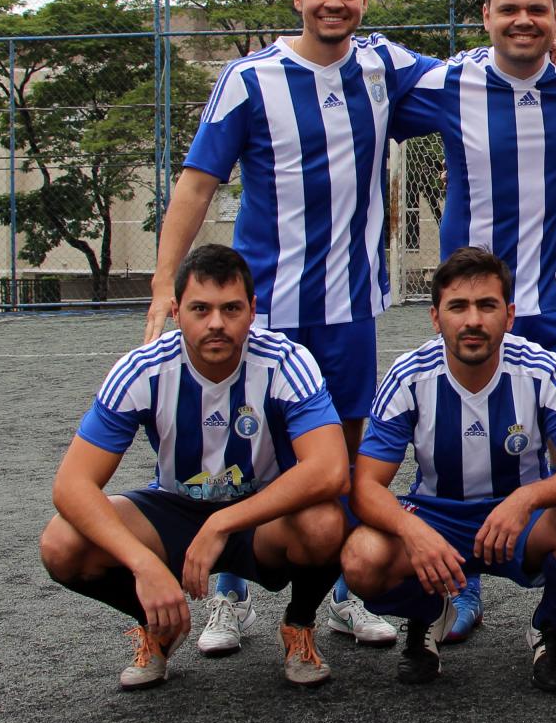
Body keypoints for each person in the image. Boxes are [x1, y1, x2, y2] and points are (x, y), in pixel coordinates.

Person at [146, 0, 417, 652]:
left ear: (364, 1)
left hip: (351, 308)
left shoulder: (384, 65)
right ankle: (228, 598)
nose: (335, 4)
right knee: (246, 456)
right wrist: (162, 284)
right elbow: (197, 183)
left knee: (348, 463)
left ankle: (341, 596)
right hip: (264, 311)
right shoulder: (249, 79)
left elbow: (475, 73)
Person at [391, 0, 556, 639]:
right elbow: (361, 73)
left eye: (538, 9)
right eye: (509, 9)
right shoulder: (450, 81)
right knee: (455, 440)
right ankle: (461, 581)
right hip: (475, 301)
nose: (524, 20)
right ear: (485, 18)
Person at [40, 245, 349, 690]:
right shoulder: (142, 370)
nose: (217, 323)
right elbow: (71, 485)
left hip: (261, 515)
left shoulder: (285, 361)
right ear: (176, 310)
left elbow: (329, 469)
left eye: (231, 309)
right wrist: (143, 565)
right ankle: (158, 625)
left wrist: (223, 522)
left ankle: (298, 624)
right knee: (61, 542)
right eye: (200, 309)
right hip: (175, 507)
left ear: (253, 310)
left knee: (325, 523)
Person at [342, 248, 556, 691]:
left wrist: (526, 498)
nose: (472, 320)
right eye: (458, 307)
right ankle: (428, 615)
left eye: (486, 305)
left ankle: (548, 627)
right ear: (435, 317)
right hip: (438, 516)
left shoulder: (540, 368)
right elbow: (366, 486)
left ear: (509, 316)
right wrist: (412, 530)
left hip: (520, 520)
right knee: (361, 555)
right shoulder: (409, 375)